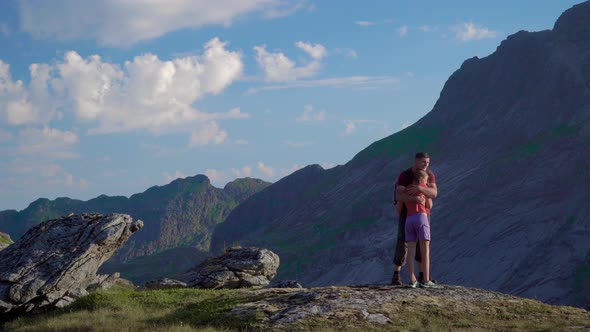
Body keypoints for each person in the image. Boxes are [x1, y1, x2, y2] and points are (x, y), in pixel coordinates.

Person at [391, 152, 438, 286]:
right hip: (410, 213)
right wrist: (415, 198)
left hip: (421, 213)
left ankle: (421, 276)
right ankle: (398, 274)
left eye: (428, 162)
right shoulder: (405, 175)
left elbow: (434, 193)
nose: (426, 165)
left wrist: (419, 189)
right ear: (416, 161)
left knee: (415, 246)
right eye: (424, 162)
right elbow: (399, 196)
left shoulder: (429, 175)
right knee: (403, 242)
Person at [404, 169, 438, 288]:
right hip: (421, 217)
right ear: (423, 179)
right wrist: (426, 190)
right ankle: (426, 279)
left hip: (409, 219)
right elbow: (430, 205)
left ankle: (412, 279)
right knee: (425, 251)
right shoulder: (423, 188)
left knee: (410, 250)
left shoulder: (407, 189)